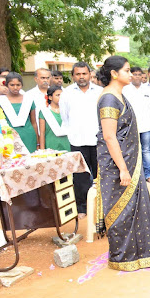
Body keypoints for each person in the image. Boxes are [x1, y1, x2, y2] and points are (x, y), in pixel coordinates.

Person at [95, 55, 150, 271]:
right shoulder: (108, 99)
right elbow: (109, 136)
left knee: (135, 208)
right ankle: (123, 257)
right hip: (118, 165)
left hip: (129, 161)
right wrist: (123, 168)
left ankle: (141, 254)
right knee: (122, 211)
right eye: (126, 70)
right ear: (114, 73)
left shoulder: (119, 95)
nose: (131, 74)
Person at [60, 62, 103, 217]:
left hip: (98, 139)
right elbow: (64, 116)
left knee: (101, 173)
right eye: (78, 74)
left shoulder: (99, 91)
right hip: (77, 141)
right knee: (80, 177)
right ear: (73, 76)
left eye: (84, 73)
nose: (81, 77)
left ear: (89, 74)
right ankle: (82, 208)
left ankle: (103, 206)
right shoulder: (66, 93)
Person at [122, 67, 150, 183]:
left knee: (146, 150)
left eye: (139, 74)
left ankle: (147, 174)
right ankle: (135, 175)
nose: (137, 76)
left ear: (142, 76)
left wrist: (144, 111)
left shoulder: (148, 89)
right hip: (131, 126)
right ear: (131, 76)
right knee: (132, 151)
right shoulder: (125, 90)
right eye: (134, 74)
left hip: (146, 125)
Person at [0, 72, 38, 152]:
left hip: (28, 135)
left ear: (22, 85)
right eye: (12, 85)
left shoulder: (29, 99)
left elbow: (33, 122)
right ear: (6, 85)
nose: (15, 87)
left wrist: (37, 142)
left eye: (18, 85)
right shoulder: (1, 100)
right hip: (8, 137)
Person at [38, 85, 70, 151]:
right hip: (51, 145)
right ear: (50, 97)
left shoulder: (67, 110)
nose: (60, 97)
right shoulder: (44, 112)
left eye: (62, 95)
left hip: (67, 144)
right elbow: (42, 133)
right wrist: (42, 150)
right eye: (57, 95)